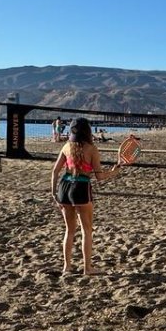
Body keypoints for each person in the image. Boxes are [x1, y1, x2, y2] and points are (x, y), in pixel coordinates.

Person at [50, 118, 119, 276]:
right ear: (87, 131)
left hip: (64, 187)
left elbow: (54, 172)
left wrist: (54, 194)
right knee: (87, 230)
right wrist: (114, 172)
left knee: (69, 230)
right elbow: (99, 177)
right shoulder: (91, 149)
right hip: (80, 187)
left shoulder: (67, 146)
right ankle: (87, 268)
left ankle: (67, 268)